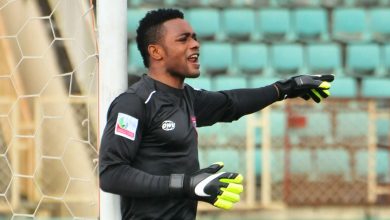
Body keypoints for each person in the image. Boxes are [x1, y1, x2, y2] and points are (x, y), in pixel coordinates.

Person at [99, 8, 334, 220]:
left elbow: (232, 103)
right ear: (156, 51)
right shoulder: (135, 103)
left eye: (194, 37)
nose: (195, 44)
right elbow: (112, 174)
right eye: (183, 39)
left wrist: (285, 88)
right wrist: (187, 184)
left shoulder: (188, 98)